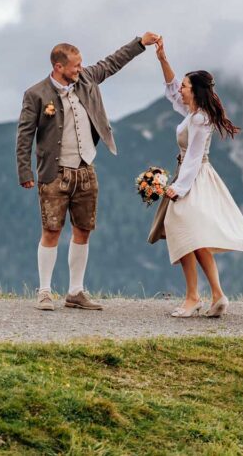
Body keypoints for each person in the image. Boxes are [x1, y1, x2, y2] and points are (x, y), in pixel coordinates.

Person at [17, 33, 161, 311]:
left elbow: (113, 62)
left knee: (83, 230)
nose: (80, 69)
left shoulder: (87, 80)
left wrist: (140, 44)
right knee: (51, 230)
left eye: (81, 64)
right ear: (59, 67)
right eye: (75, 65)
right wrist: (25, 171)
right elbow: (24, 136)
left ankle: (75, 292)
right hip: (54, 172)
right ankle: (45, 291)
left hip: (85, 169)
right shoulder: (36, 94)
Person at [148, 38, 243, 317]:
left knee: (180, 227)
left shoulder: (198, 119)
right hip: (190, 174)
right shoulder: (193, 112)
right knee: (194, 236)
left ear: (194, 91)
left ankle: (193, 297)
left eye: (185, 86)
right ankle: (217, 295)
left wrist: (178, 188)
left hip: (194, 177)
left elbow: (194, 156)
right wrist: (162, 60)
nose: (180, 90)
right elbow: (172, 92)